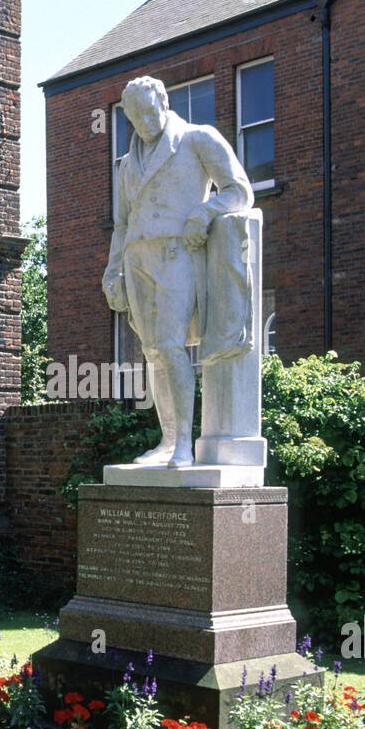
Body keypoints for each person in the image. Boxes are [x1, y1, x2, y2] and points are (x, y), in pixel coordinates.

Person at [102, 75, 255, 468]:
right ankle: (167, 442)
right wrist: (112, 271)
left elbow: (239, 190)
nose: (145, 122)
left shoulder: (197, 139)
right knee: (152, 352)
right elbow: (121, 224)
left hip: (176, 253)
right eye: (135, 116)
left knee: (170, 347)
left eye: (150, 112)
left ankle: (184, 444)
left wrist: (204, 212)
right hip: (137, 259)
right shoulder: (124, 165)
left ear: (164, 104)